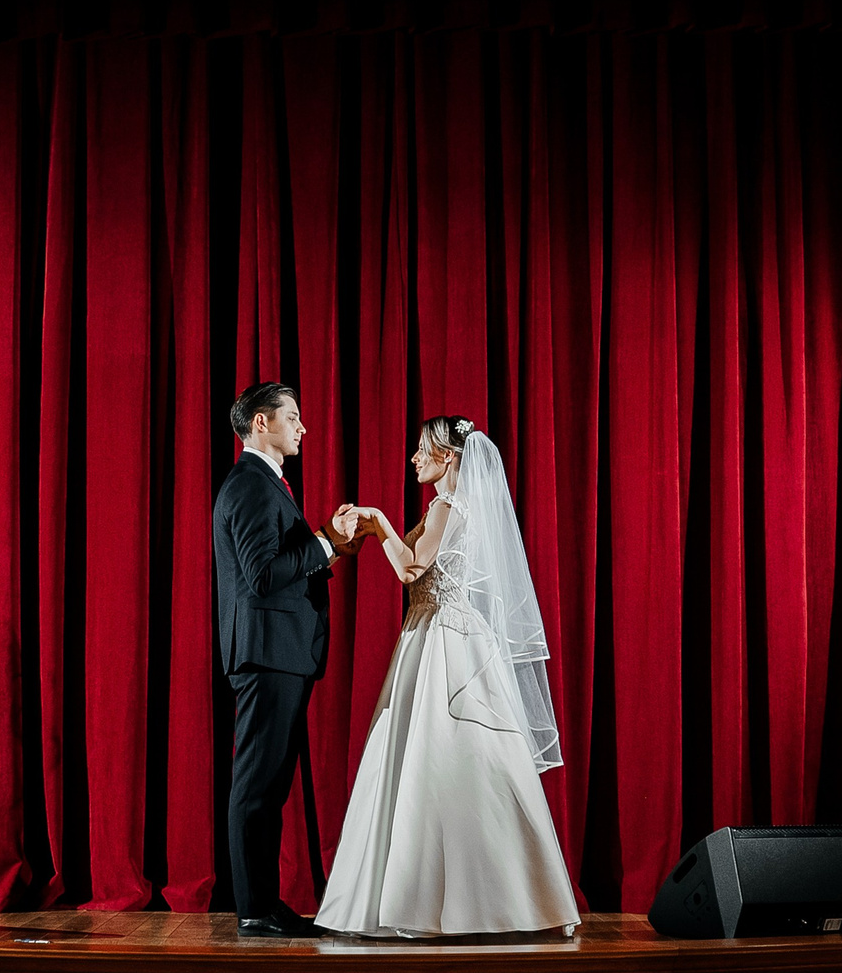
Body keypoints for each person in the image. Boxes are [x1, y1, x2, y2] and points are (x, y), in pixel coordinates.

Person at [315, 415, 579, 939]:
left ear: (449, 457)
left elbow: (412, 568)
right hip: (445, 633)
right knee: (460, 767)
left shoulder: (446, 505)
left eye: (422, 450)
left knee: (434, 761)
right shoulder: (463, 508)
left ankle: (428, 898)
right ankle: (506, 897)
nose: (414, 458)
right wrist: (372, 528)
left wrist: (380, 522)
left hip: (441, 639)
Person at [213, 382, 369, 938]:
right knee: (257, 785)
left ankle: (263, 903)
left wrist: (329, 543)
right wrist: (327, 539)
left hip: (280, 653)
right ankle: (254, 909)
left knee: (270, 785)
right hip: (267, 654)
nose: (304, 428)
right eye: (293, 418)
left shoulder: (265, 483)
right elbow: (262, 575)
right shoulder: (251, 485)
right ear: (261, 423)